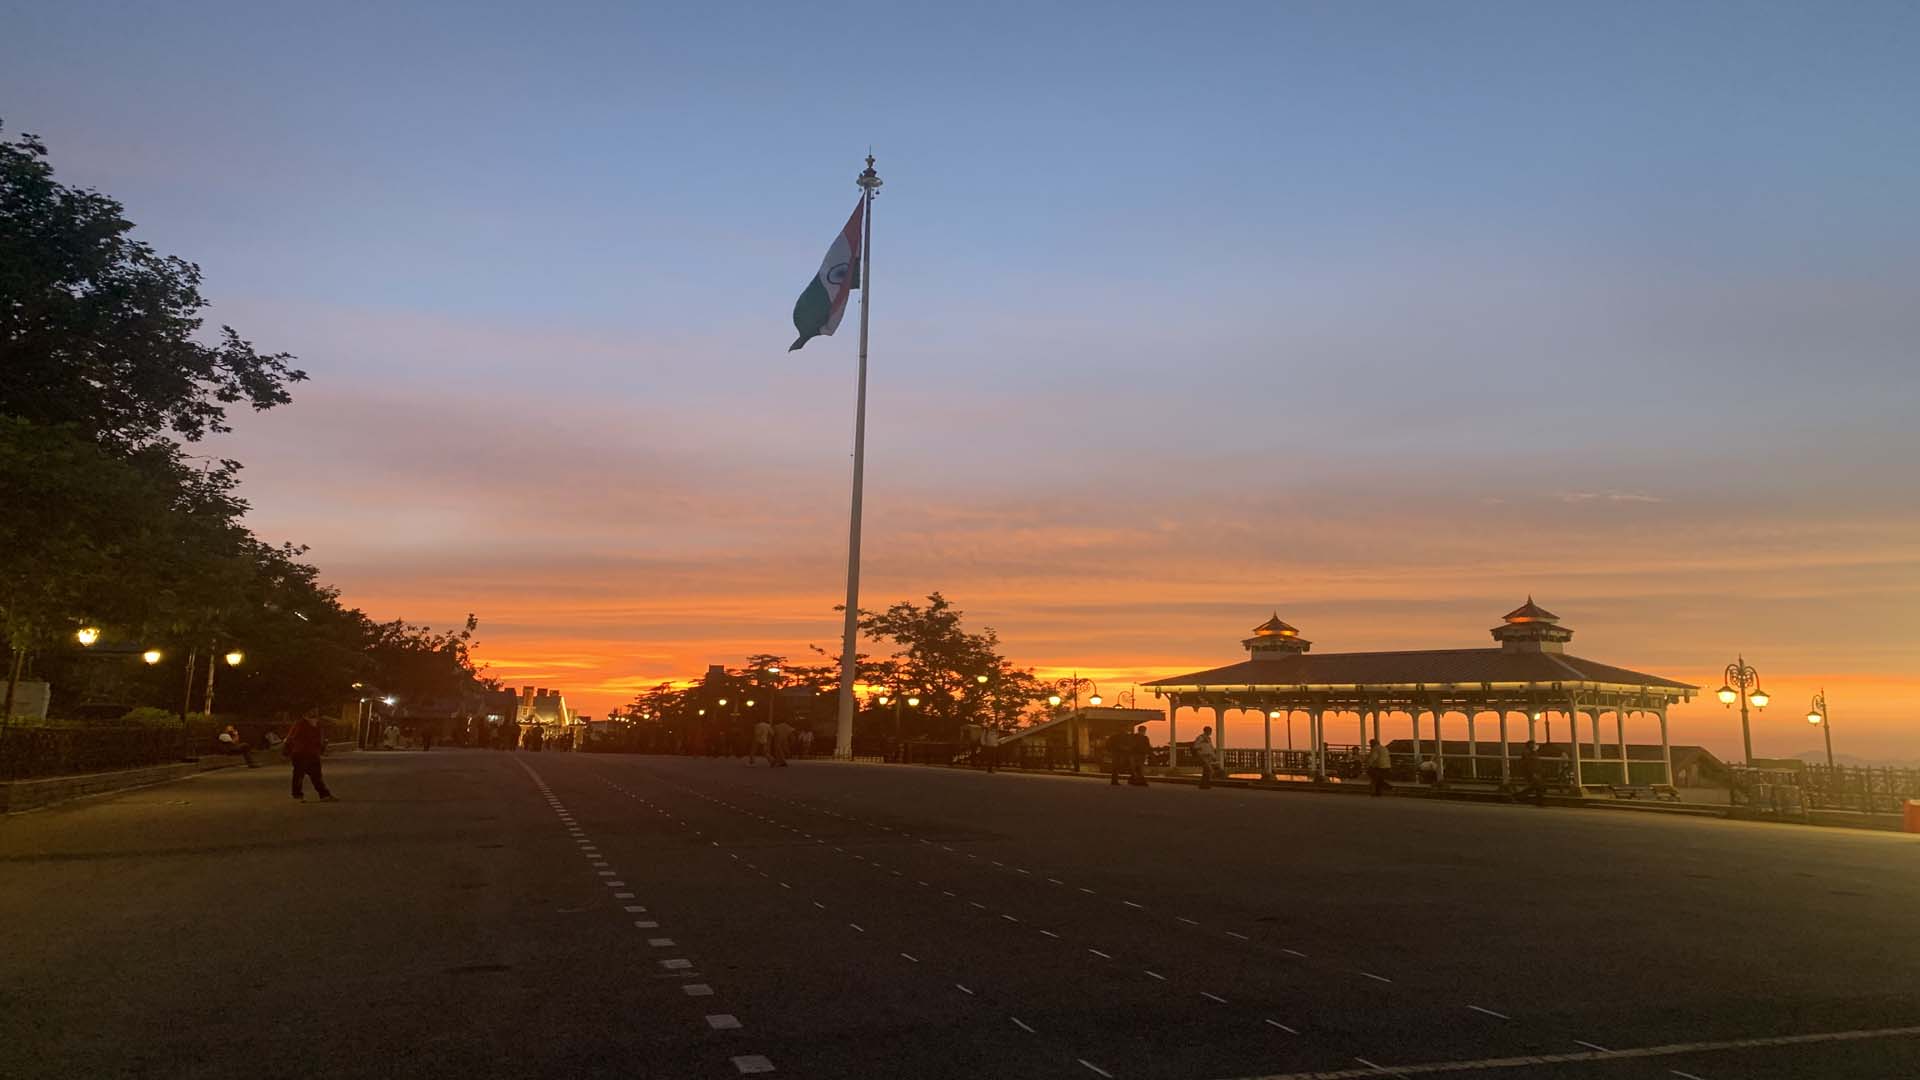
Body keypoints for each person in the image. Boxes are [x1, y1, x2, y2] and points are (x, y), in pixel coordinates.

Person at [285, 713, 335, 802]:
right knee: (299, 775)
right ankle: (297, 795)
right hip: (301, 754)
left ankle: (324, 795)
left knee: (316, 776)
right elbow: (291, 738)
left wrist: (321, 748)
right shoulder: (300, 725)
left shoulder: (318, 726)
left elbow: (319, 740)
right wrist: (289, 750)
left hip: (312, 754)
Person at [1518, 739, 1545, 806]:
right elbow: (1530, 763)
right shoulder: (1528, 753)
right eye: (1533, 744)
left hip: (1536, 772)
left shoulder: (1533, 752)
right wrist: (1533, 773)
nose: (1534, 745)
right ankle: (1518, 796)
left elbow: (1536, 762)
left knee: (1535, 787)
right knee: (1537, 786)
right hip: (1533, 772)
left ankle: (1539, 801)